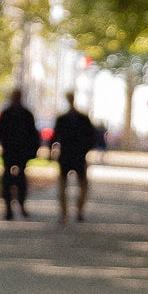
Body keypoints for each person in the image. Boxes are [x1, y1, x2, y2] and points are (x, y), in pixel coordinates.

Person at [52, 91, 103, 224]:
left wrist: (85, 149)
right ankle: (66, 213)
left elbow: (92, 136)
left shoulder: (74, 118)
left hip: (75, 156)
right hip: (70, 156)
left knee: (79, 185)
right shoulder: (70, 118)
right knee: (68, 185)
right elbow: (54, 137)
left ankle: (75, 212)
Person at [0, 89, 40, 219]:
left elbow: (33, 135)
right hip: (13, 151)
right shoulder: (18, 114)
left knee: (17, 179)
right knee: (13, 179)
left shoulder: (18, 114)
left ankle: (17, 206)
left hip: (18, 152)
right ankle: (11, 208)